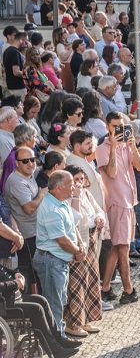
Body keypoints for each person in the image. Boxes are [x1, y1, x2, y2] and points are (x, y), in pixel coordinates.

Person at [97, 111, 140, 306]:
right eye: (115, 126)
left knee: (118, 248)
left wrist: (132, 146)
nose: (118, 129)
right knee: (123, 249)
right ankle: (128, 289)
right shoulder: (102, 149)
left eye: (121, 126)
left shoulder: (127, 146)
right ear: (108, 127)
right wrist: (114, 148)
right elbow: (112, 172)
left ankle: (105, 288)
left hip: (127, 201)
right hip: (116, 202)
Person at [32, 170, 84, 340]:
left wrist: (80, 243)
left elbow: (71, 226)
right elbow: (61, 239)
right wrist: (77, 251)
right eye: (70, 184)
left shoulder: (61, 202)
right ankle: (57, 340)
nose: (74, 187)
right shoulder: (51, 208)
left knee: (59, 300)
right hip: (51, 261)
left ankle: (58, 337)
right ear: (59, 187)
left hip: (58, 260)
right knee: (54, 302)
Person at [0, 263, 81, 357]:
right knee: (36, 309)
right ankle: (55, 349)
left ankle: (59, 339)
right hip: (4, 306)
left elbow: (3, 269)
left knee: (42, 300)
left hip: (12, 298)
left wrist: (16, 274)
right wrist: (15, 283)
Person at [62, 165, 105, 337]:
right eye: (76, 180)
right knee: (77, 282)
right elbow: (74, 220)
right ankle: (73, 323)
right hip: (79, 243)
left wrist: (99, 218)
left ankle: (85, 319)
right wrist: (76, 197)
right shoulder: (68, 198)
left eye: (82, 179)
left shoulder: (86, 193)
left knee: (91, 279)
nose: (80, 183)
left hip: (92, 240)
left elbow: (97, 209)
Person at [3, 146, 46, 293]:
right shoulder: (16, 181)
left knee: (37, 274)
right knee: (30, 275)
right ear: (17, 163)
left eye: (32, 160)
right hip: (26, 235)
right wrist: (42, 194)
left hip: (33, 231)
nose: (30, 164)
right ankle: (32, 311)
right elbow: (28, 208)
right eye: (25, 161)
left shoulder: (29, 175)